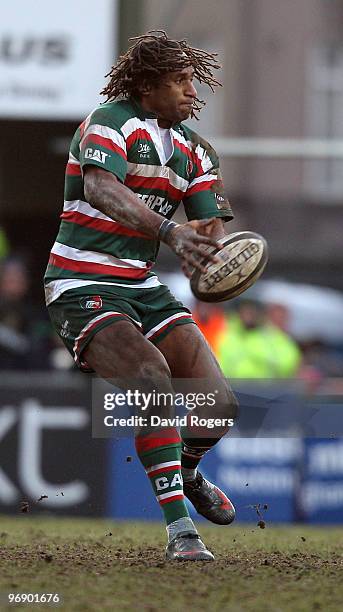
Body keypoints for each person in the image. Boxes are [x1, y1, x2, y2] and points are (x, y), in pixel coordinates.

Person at [44, 31, 238, 561]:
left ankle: (188, 471)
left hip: (141, 286)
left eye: (192, 82)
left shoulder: (197, 149)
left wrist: (214, 263)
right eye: (179, 81)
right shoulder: (108, 122)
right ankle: (180, 531)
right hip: (79, 282)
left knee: (218, 405)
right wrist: (171, 235)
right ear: (147, 85)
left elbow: (208, 226)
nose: (191, 92)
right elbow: (100, 189)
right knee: (151, 376)